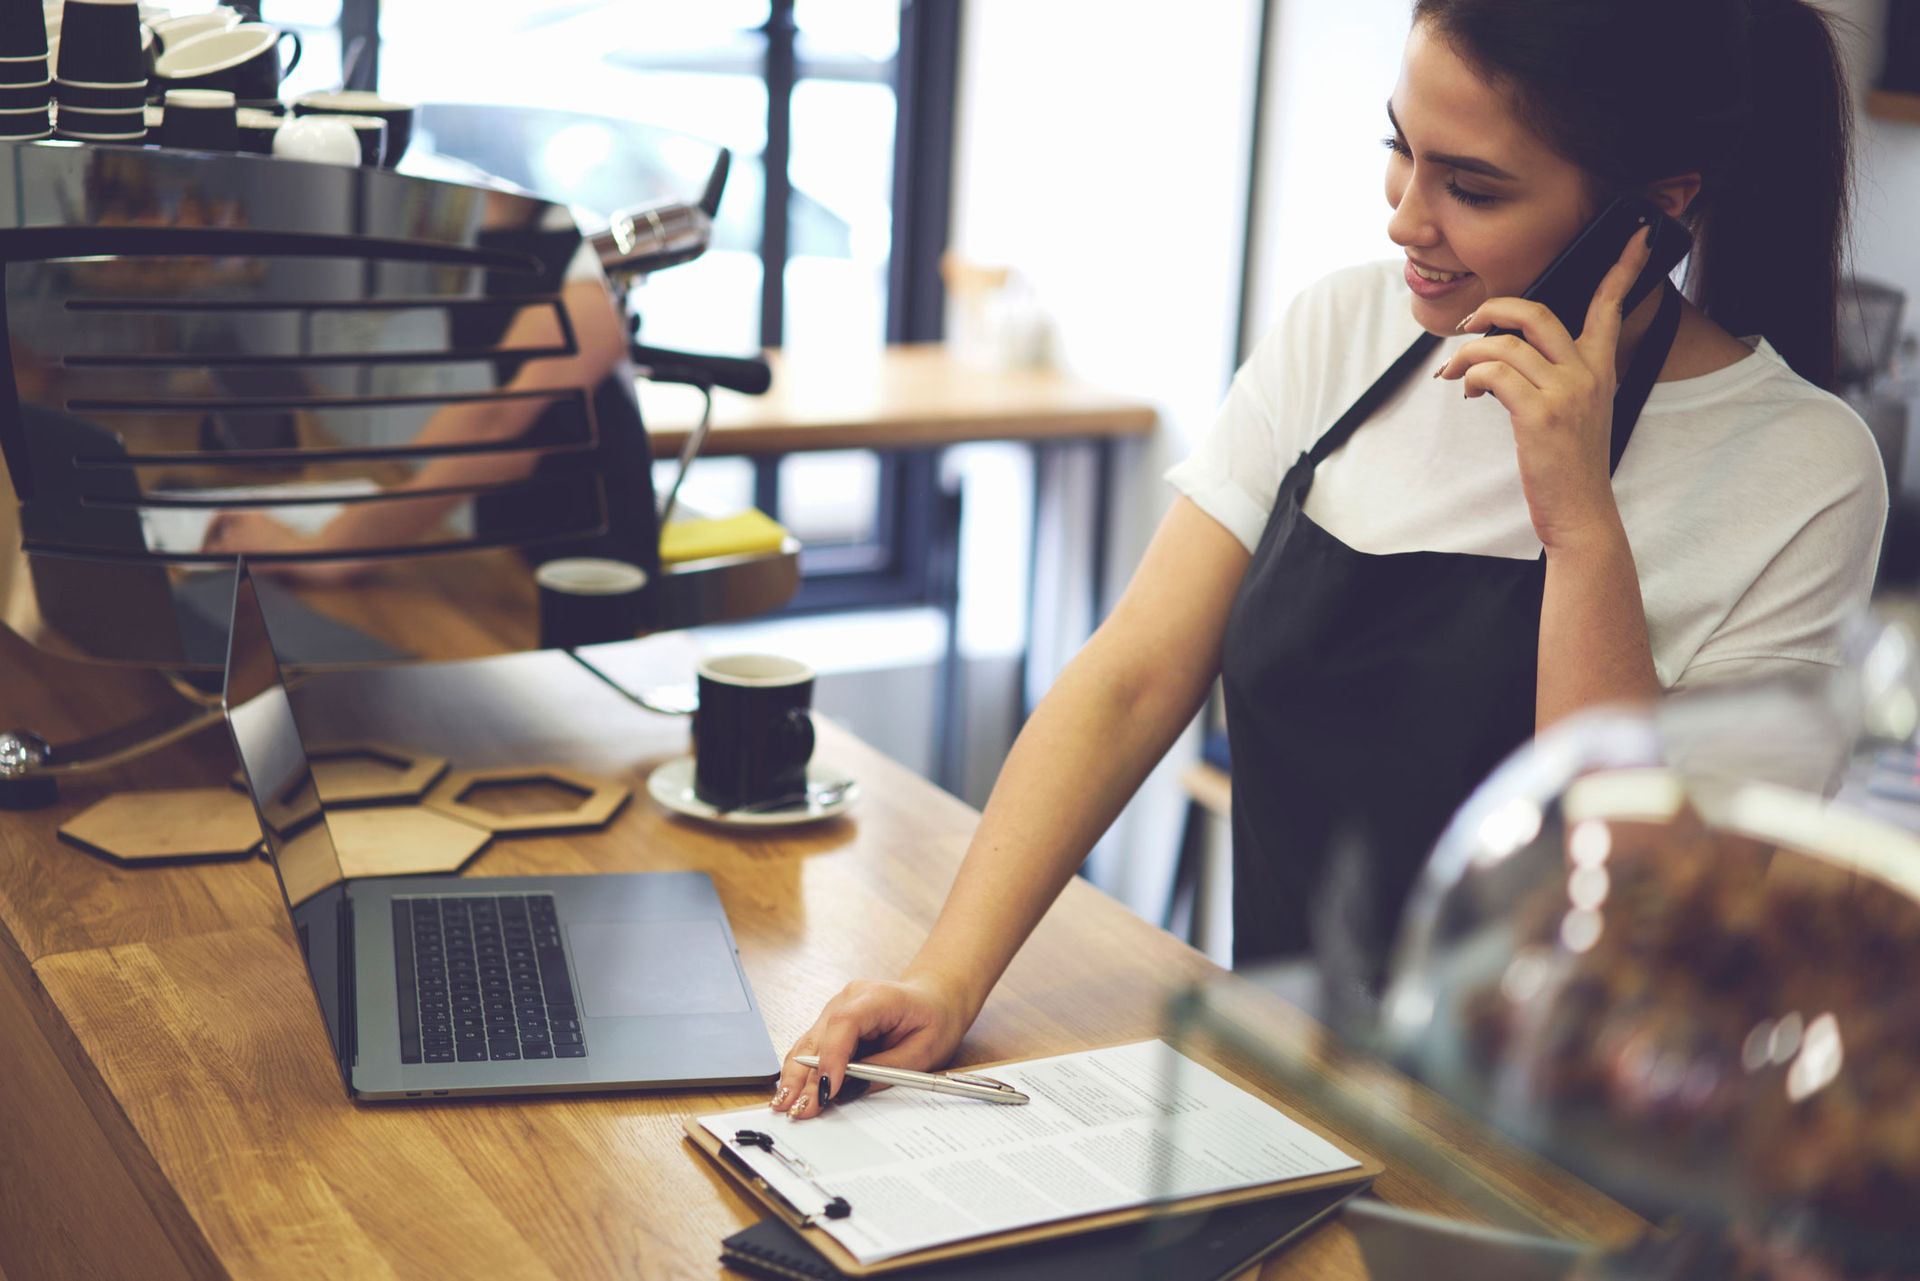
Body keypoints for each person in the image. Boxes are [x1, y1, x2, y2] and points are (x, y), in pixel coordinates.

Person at [772, 0, 1888, 1121]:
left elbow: (1636, 909)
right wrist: (946, 976)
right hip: (1273, 1101)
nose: (1406, 219)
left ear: (1655, 213)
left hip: (1551, 1166)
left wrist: (1581, 525)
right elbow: (1130, 680)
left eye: (1473, 187)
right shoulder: (1342, 334)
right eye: (1400, 148)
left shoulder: (1804, 472)